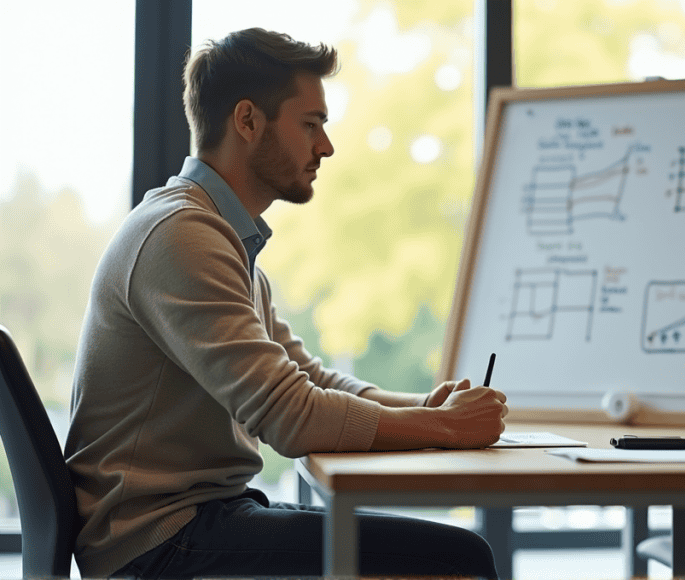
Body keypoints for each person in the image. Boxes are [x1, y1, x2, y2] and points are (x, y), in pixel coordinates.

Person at [64, 27, 507, 579]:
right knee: (460, 560)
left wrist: (426, 410)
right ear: (247, 121)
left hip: (201, 519)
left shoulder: (222, 236)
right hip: (158, 545)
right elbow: (292, 418)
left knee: (439, 550)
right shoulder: (183, 237)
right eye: (312, 124)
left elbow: (308, 377)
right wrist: (446, 430)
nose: (326, 146)